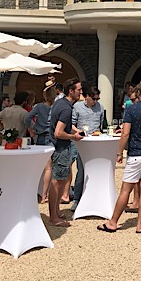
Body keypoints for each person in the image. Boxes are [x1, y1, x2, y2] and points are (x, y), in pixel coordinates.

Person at [98, 80, 141, 234]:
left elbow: (125, 133)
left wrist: (119, 152)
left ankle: (113, 222)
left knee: (126, 189)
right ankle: (140, 224)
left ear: (139, 93)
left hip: (136, 152)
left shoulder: (132, 109)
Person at [48, 78, 84, 227]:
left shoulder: (60, 103)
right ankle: (53, 217)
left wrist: (75, 130)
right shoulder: (67, 109)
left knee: (61, 180)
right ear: (71, 91)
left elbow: (61, 126)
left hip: (58, 147)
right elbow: (58, 132)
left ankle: (56, 211)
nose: (81, 92)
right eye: (79, 90)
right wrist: (73, 137)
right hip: (61, 148)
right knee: (57, 181)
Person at [71, 84, 103, 211]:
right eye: (94, 99)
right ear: (87, 96)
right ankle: (77, 199)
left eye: (97, 99)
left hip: (96, 142)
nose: (95, 101)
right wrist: (78, 131)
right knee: (81, 171)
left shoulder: (100, 107)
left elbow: (101, 125)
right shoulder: (77, 107)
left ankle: (95, 198)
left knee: (96, 170)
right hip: (81, 143)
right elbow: (71, 124)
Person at [25, 86, 57, 202]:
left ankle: (40, 193)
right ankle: (45, 194)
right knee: (50, 167)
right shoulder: (56, 107)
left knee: (41, 166)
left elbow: (27, 118)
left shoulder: (38, 107)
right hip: (53, 137)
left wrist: (30, 129)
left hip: (41, 137)